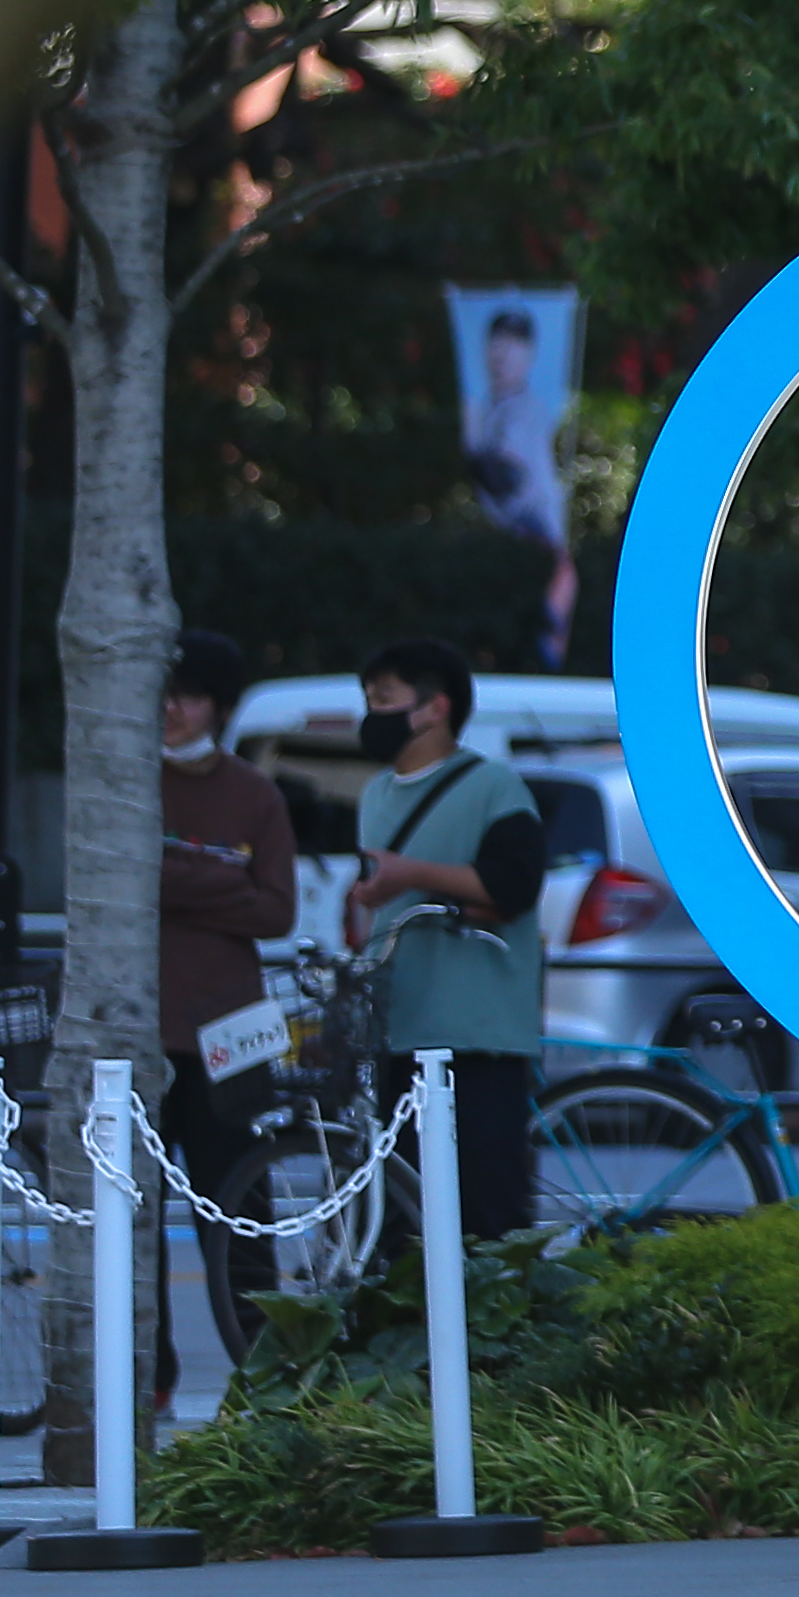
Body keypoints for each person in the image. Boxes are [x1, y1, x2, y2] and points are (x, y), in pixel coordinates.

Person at [343, 640, 545, 1241]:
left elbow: (513, 886)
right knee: (404, 1215)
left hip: (480, 1035)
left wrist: (409, 873)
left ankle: (494, 1336)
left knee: (488, 1214)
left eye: (384, 700)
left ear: (435, 709)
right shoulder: (375, 794)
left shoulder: (495, 786)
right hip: (396, 1028)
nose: (372, 714)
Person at [152, 632, 297, 1380]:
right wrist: (219, 878)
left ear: (220, 705)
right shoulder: (130, 782)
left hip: (233, 1028)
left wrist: (173, 872)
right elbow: (125, 876)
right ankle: (150, 1379)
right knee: (134, 1214)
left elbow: (276, 909)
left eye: (191, 693)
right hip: (141, 1024)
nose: (172, 707)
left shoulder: (255, 793)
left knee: (241, 1212)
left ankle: (265, 1374)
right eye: (164, 691)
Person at [461, 306, 578, 670]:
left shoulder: (529, 410)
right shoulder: (489, 408)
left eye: (513, 346)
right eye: (496, 345)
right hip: (508, 531)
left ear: (528, 353)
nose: (502, 354)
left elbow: (505, 477)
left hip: (531, 527)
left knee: (556, 583)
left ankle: (548, 650)